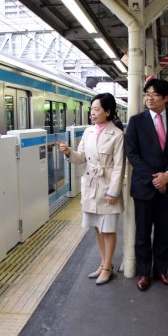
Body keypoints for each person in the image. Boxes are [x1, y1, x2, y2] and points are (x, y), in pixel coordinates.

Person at [125, 78, 168, 291]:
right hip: (144, 186)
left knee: (164, 231)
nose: (149, 98)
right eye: (147, 94)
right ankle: (144, 272)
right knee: (142, 232)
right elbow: (132, 154)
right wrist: (156, 178)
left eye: (155, 94)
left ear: (167, 98)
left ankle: (161, 270)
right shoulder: (136, 121)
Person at [59, 93, 125, 285]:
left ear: (108, 111)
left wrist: (114, 191)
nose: (92, 113)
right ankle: (103, 263)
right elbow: (81, 158)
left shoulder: (117, 135)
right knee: (97, 227)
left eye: (96, 109)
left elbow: (120, 165)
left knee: (108, 229)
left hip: (107, 188)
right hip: (90, 186)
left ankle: (107, 266)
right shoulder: (88, 132)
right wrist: (69, 152)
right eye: (91, 109)